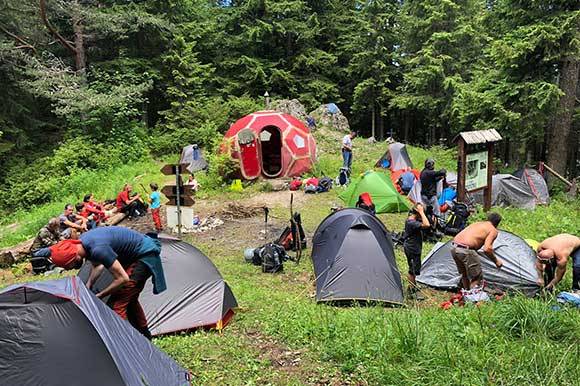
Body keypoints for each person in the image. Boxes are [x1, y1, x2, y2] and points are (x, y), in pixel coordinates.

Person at [48, 226, 166, 339]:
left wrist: (100, 295)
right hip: (136, 255)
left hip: (144, 256)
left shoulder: (98, 249)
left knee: (116, 305)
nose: (71, 269)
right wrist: (88, 285)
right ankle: (145, 335)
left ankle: (127, 345)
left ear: (75, 258)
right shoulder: (84, 243)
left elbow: (123, 278)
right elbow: (98, 265)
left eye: (70, 266)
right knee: (130, 299)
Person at [450, 212, 504, 290]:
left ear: (487, 219)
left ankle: (467, 294)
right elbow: (487, 249)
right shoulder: (493, 230)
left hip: (454, 248)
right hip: (466, 250)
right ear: (497, 223)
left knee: (464, 274)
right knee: (476, 277)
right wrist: (496, 261)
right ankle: (474, 299)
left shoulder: (477, 223)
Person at [403, 204, 431, 299]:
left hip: (413, 247)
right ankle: (411, 291)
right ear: (418, 213)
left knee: (414, 268)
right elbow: (427, 225)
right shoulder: (411, 222)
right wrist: (421, 212)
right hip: (412, 248)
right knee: (412, 270)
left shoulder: (412, 219)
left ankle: (413, 286)